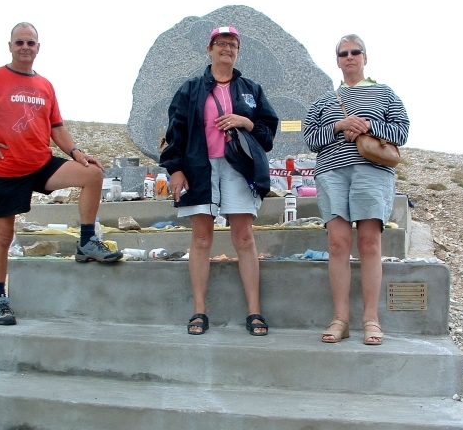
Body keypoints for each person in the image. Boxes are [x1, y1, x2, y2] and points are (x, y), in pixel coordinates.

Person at [0, 22, 122, 326]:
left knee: (92, 173)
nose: (25, 47)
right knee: (3, 236)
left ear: (38, 48)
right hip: (5, 169)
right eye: (19, 42)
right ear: (10, 46)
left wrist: (76, 153)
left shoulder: (45, 85)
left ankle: (87, 243)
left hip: (40, 164)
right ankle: (0, 300)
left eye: (31, 43)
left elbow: (56, 127)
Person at [159, 26, 278, 336]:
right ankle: (199, 310)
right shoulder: (190, 89)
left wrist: (245, 121)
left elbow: (267, 135)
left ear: (238, 51)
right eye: (221, 43)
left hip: (239, 168)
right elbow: (176, 132)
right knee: (201, 239)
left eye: (233, 44)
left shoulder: (251, 89)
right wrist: (175, 170)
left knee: (244, 238)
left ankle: (254, 311)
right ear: (209, 49)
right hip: (200, 168)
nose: (227, 48)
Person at [303, 34, 409, 345]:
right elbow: (310, 138)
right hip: (332, 172)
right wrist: (338, 126)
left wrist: (368, 127)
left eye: (355, 52)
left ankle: (371, 319)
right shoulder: (325, 100)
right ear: (337, 60)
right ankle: (341, 319)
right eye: (343, 53)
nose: (349, 57)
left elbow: (401, 131)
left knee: (369, 243)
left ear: (365, 57)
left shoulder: (385, 93)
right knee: (338, 243)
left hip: (372, 172)